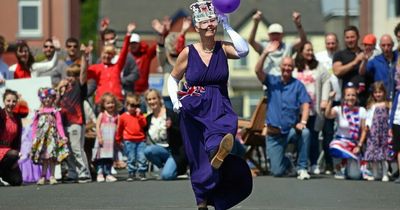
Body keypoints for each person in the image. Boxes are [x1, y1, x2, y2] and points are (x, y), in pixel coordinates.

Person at [168, 1, 252, 209]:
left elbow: (243, 51)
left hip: (219, 106)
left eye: (212, 20)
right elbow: (172, 79)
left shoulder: (223, 48)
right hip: (194, 110)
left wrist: (228, 26)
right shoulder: (188, 53)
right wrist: (175, 101)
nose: (210, 25)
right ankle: (202, 202)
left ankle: (218, 152)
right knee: (198, 160)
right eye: (205, 22)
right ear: (197, 27)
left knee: (221, 136)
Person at [256, 54, 311, 180]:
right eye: (285, 65)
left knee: (305, 132)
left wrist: (303, 121)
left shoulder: (298, 85)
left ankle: (302, 167)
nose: (287, 68)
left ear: (293, 68)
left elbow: (306, 104)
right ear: (280, 66)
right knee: (277, 171)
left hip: (291, 130)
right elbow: (258, 71)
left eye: (290, 66)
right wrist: (265, 53)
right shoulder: (272, 81)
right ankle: (288, 162)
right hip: (274, 133)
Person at [293, 41, 331, 175]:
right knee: (301, 137)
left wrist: (325, 99)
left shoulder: (318, 66)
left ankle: (314, 163)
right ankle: (300, 163)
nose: (310, 53)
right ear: (301, 51)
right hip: (298, 110)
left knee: (313, 136)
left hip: (314, 108)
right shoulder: (295, 67)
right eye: (307, 50)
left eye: (311, 50)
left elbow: (327, 80)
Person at [57, 44, 92, 183]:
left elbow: (84, 72)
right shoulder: (64, 88)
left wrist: (83, 55)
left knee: (77, 148)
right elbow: (55, 103)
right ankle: (73, 172)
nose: (71, 77)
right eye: (69, 75)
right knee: (68, 150)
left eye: (74, 75)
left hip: (76, 121)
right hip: (64, 122)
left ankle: (84, 172)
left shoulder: (79, 86)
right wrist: (59, 89)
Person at [143, 89, 187, 180]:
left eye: (154, 98)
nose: (152, 101)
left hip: (175, 151)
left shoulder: (171, 113)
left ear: (159, 99)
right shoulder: (148, 118)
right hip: (160, 150)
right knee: (148, 150)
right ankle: (165, 166)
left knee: (167, 176)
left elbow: (183, 132)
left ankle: (176, 168)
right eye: (149, 99)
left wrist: (172, 127)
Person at [325, 82, 366, 180]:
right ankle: (339, 168)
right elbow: (327, 115)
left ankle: (348, 166)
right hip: (341, 142)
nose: (350, 97)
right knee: (334, 146)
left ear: (356, 97)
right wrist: (330, 100)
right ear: (344, 97)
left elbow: (364, 130)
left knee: (355, 176)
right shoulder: (339, 109)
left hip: (354, 144)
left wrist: (359, 146)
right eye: (348, 95)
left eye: (353, 95)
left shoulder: (361, 110)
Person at [87, 23, 135, 105]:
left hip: (117, 100)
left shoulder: (117, 67)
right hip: (102, 101)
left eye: (109, 54)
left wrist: (128, 35)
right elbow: (85, 73)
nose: (107, 56)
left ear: (113, 55)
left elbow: (124, 52)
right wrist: (85, 56)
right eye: (105, 54)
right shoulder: (97, 67)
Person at [248, 10, 307, 75]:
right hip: (269, 82)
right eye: (273, 34)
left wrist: (298, 25)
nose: (275, 36)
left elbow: (303, 40)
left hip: (285, 81)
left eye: (278, 34)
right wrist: (256, 24)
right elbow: (251, 41)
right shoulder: (264, 47)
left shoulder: (287, 47)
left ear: (282, 35)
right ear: (269, 35)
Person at [30, 87, 69, 185]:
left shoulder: (55, 111)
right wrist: (34, 136)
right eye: (45, 97)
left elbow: (59, 124)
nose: (47, 99)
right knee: (44, 158)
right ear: (41, 99)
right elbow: (34, 124)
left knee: (51, 157)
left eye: (49, 97)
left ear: (53, 98)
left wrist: (63, 136)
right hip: (42, 138)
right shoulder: (39, 111)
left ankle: (52, 176)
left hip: (52, 138)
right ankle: (43, 176)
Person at [315, 32, 340, 174]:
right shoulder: (319, 57)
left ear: (336, 43)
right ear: (325, 43)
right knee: (327, 133)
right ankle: (329, 164)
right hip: (325, 100)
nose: (331, 45)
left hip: (340, 98)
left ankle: (340, 164)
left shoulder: (340, 56)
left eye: (333, 43)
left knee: (341, 132)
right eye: (328, 43)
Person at [359, 82, 390, 181]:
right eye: (376, 92)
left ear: (384, 93)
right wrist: (367, 126)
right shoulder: (372, 105)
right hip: (373, 131)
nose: (378, 94)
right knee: (373, 152)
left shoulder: (387, 104)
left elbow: (390, 117)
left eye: (380, 92)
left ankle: (385, 173)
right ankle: (376, 172)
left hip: (384, 131)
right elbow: (369, 117)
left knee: (384, 152)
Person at [116, 93, 148, 181]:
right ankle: (131, 172)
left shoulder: (140, 115)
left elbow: (144, 124)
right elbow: (120, 128)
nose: (134, 108)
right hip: (129, 140)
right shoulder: (123, 117)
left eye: (137, 106)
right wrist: (118, 139)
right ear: (127, 105)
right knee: (131, 157)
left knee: (142, 157)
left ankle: (142, 172)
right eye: (132, 105)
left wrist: (139, 116)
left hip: (140, 140)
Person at [333, 26, 368, 106]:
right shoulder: (339, 54)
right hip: (348, 101)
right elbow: (337, 71)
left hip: (365, 100)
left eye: (352, 37)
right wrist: (355, 61)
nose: (350, 40)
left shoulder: (365, 53)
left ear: (358, 37)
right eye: (347, 38)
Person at [0, 89, 29, 186]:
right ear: (3, 101)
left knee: (17, 181)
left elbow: (25, 111)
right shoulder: (1, 114)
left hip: (9, 153)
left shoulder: (17, 118)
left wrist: (15, 161)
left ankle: (2, 173)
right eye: (8, 101)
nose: (11, 103)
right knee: (13, 154)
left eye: (14, 101)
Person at [359, 34, 398, 100]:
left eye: (389, 45)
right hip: (382, 99)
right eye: (383, 45)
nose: (386, 48)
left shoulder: (398, 57)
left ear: (393, 45)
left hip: (397, 97)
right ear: (380, 46)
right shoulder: (376, 60)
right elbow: (362, 72)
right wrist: (364, 61)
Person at [93, 93, 120, 183]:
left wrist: (118, 138)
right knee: (101, 158)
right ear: (103, 105)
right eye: (108, 103)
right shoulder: (102, 115)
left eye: (112, 103)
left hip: (111, 141)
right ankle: (100, 173)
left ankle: (108, 173)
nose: (110, 105)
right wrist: (99, 137)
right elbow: (97, 126)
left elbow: (118, 127)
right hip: (103, 140)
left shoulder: (117, 116)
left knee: (109, 158)